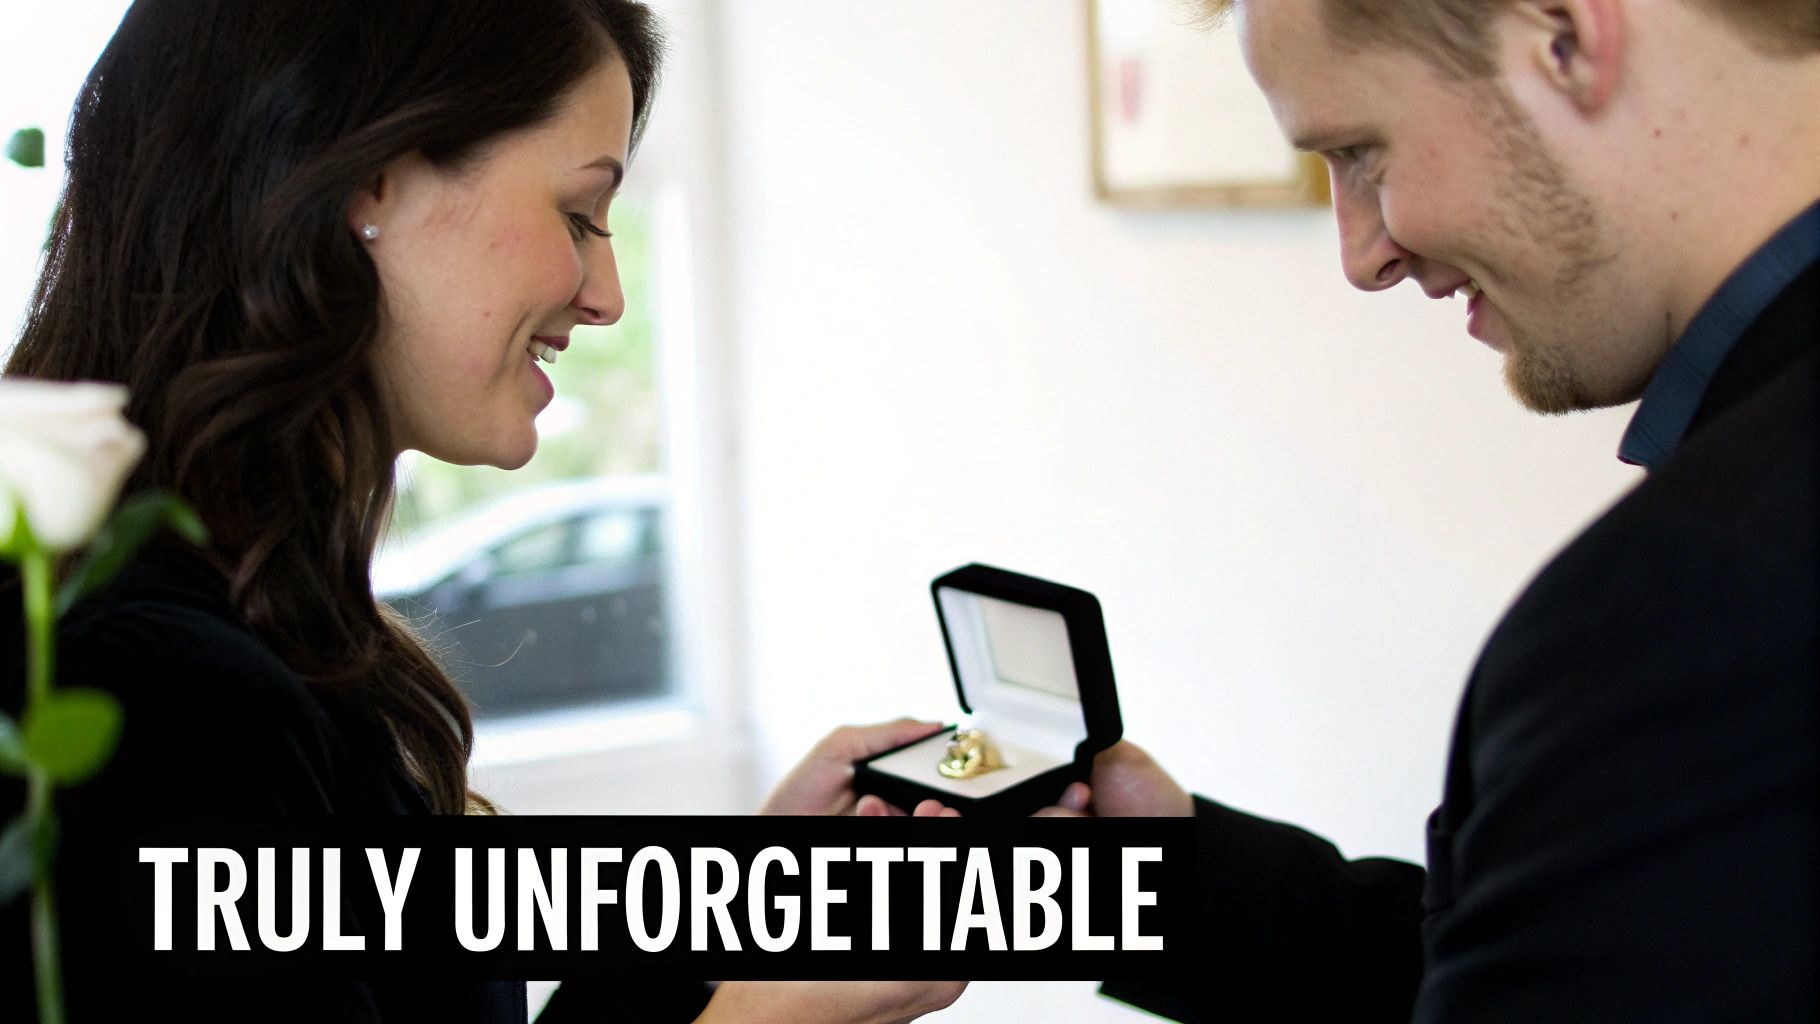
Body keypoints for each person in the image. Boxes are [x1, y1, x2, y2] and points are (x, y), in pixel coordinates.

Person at [0, 2, 962, 1021]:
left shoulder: (267, 626)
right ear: (370, 183)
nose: (605, 295)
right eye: (580, 215)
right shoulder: (152, 686)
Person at [1022, 0, 1818, 1020]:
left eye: (1360, 151)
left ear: (1565, 39)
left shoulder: (1684, 604)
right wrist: (1143, 883)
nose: (1362, 258)